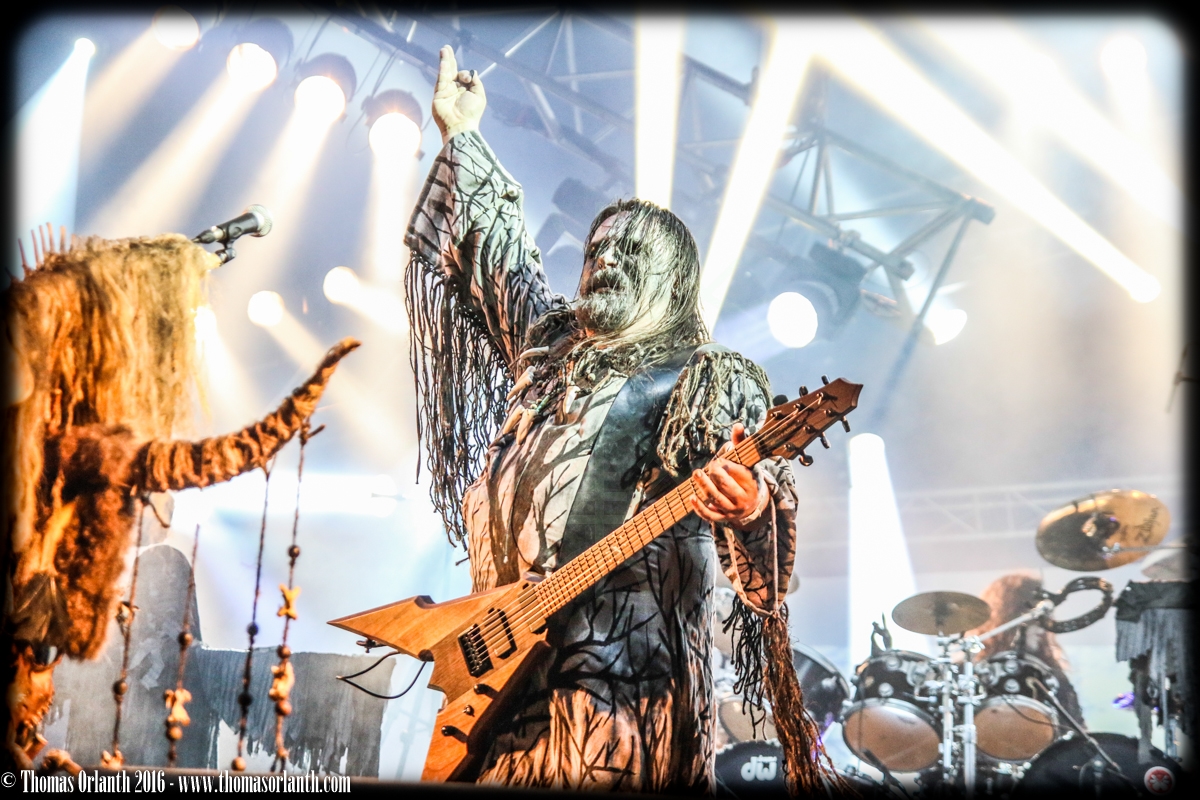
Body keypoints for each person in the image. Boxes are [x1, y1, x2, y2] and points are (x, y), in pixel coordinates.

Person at [402, 46, 833, 793]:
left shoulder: (704, 380)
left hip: (621, 694)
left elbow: (764, 565)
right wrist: (462, 135)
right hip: (499, 680)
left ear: (672, 282)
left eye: (631, 252)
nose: (606, 259)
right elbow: (499, 260)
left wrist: (751, 506)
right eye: (598, 249)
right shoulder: (547, 352)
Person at [968, 571, 1085, 727]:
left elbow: (1076, 729)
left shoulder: (1052, 676)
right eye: (1036, 619)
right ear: (1012, 616)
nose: (1042, 629)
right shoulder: (968, 673)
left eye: (1045, 619)